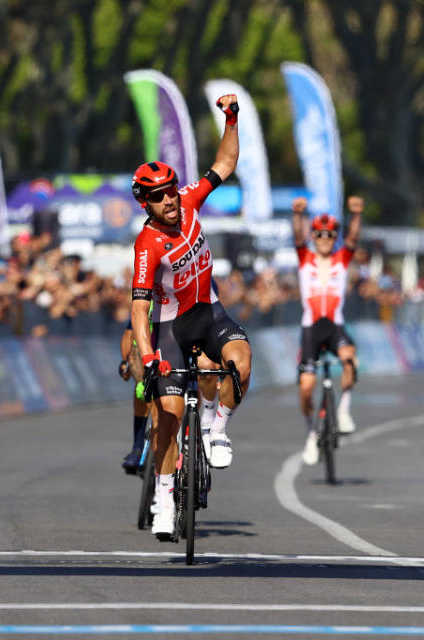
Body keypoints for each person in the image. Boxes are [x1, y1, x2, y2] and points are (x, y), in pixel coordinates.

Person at [130, 94, 253, 540]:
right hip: (170, 329)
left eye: (170, 190)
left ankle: (218, 428)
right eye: (159, 197)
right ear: (146, 203)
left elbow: (226, 160)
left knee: (240, 360)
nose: (169, 200)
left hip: (209, 312)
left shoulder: (190, 199)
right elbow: (139, 309)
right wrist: (147, 357)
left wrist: (232, 119)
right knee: (168, 416)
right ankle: (164, 499)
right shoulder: (147, 245)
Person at [291, 194, 362, 465]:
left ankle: (343, 410)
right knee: (307, 389)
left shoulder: (341, 258)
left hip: (334, 326)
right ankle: (311, 436)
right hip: (310, 328)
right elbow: (298, 236)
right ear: (313, 235)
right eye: (319, 234)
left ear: (335, 237)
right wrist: (297, 215)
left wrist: (356, 215)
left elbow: (353, 239)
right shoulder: (304, 256)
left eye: (330, 234)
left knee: (350, 361)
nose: (324, 238)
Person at [118, 320, 152, 474]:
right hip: (151, 347)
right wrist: (126, 362)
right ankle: (137, 448)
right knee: (142, 388)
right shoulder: (150, 301)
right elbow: (129, 334)